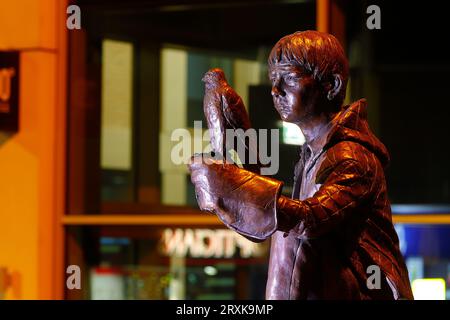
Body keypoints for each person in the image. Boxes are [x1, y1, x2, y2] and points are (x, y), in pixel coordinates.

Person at [188, 30, 413, 300]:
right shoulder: (314, 152)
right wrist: (235, 182)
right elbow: (282, 227)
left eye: (290, 77)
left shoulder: (352, 156)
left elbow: (311, 220)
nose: (275, 90)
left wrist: (235, 188)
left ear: (331, 84)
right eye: (273, 79)